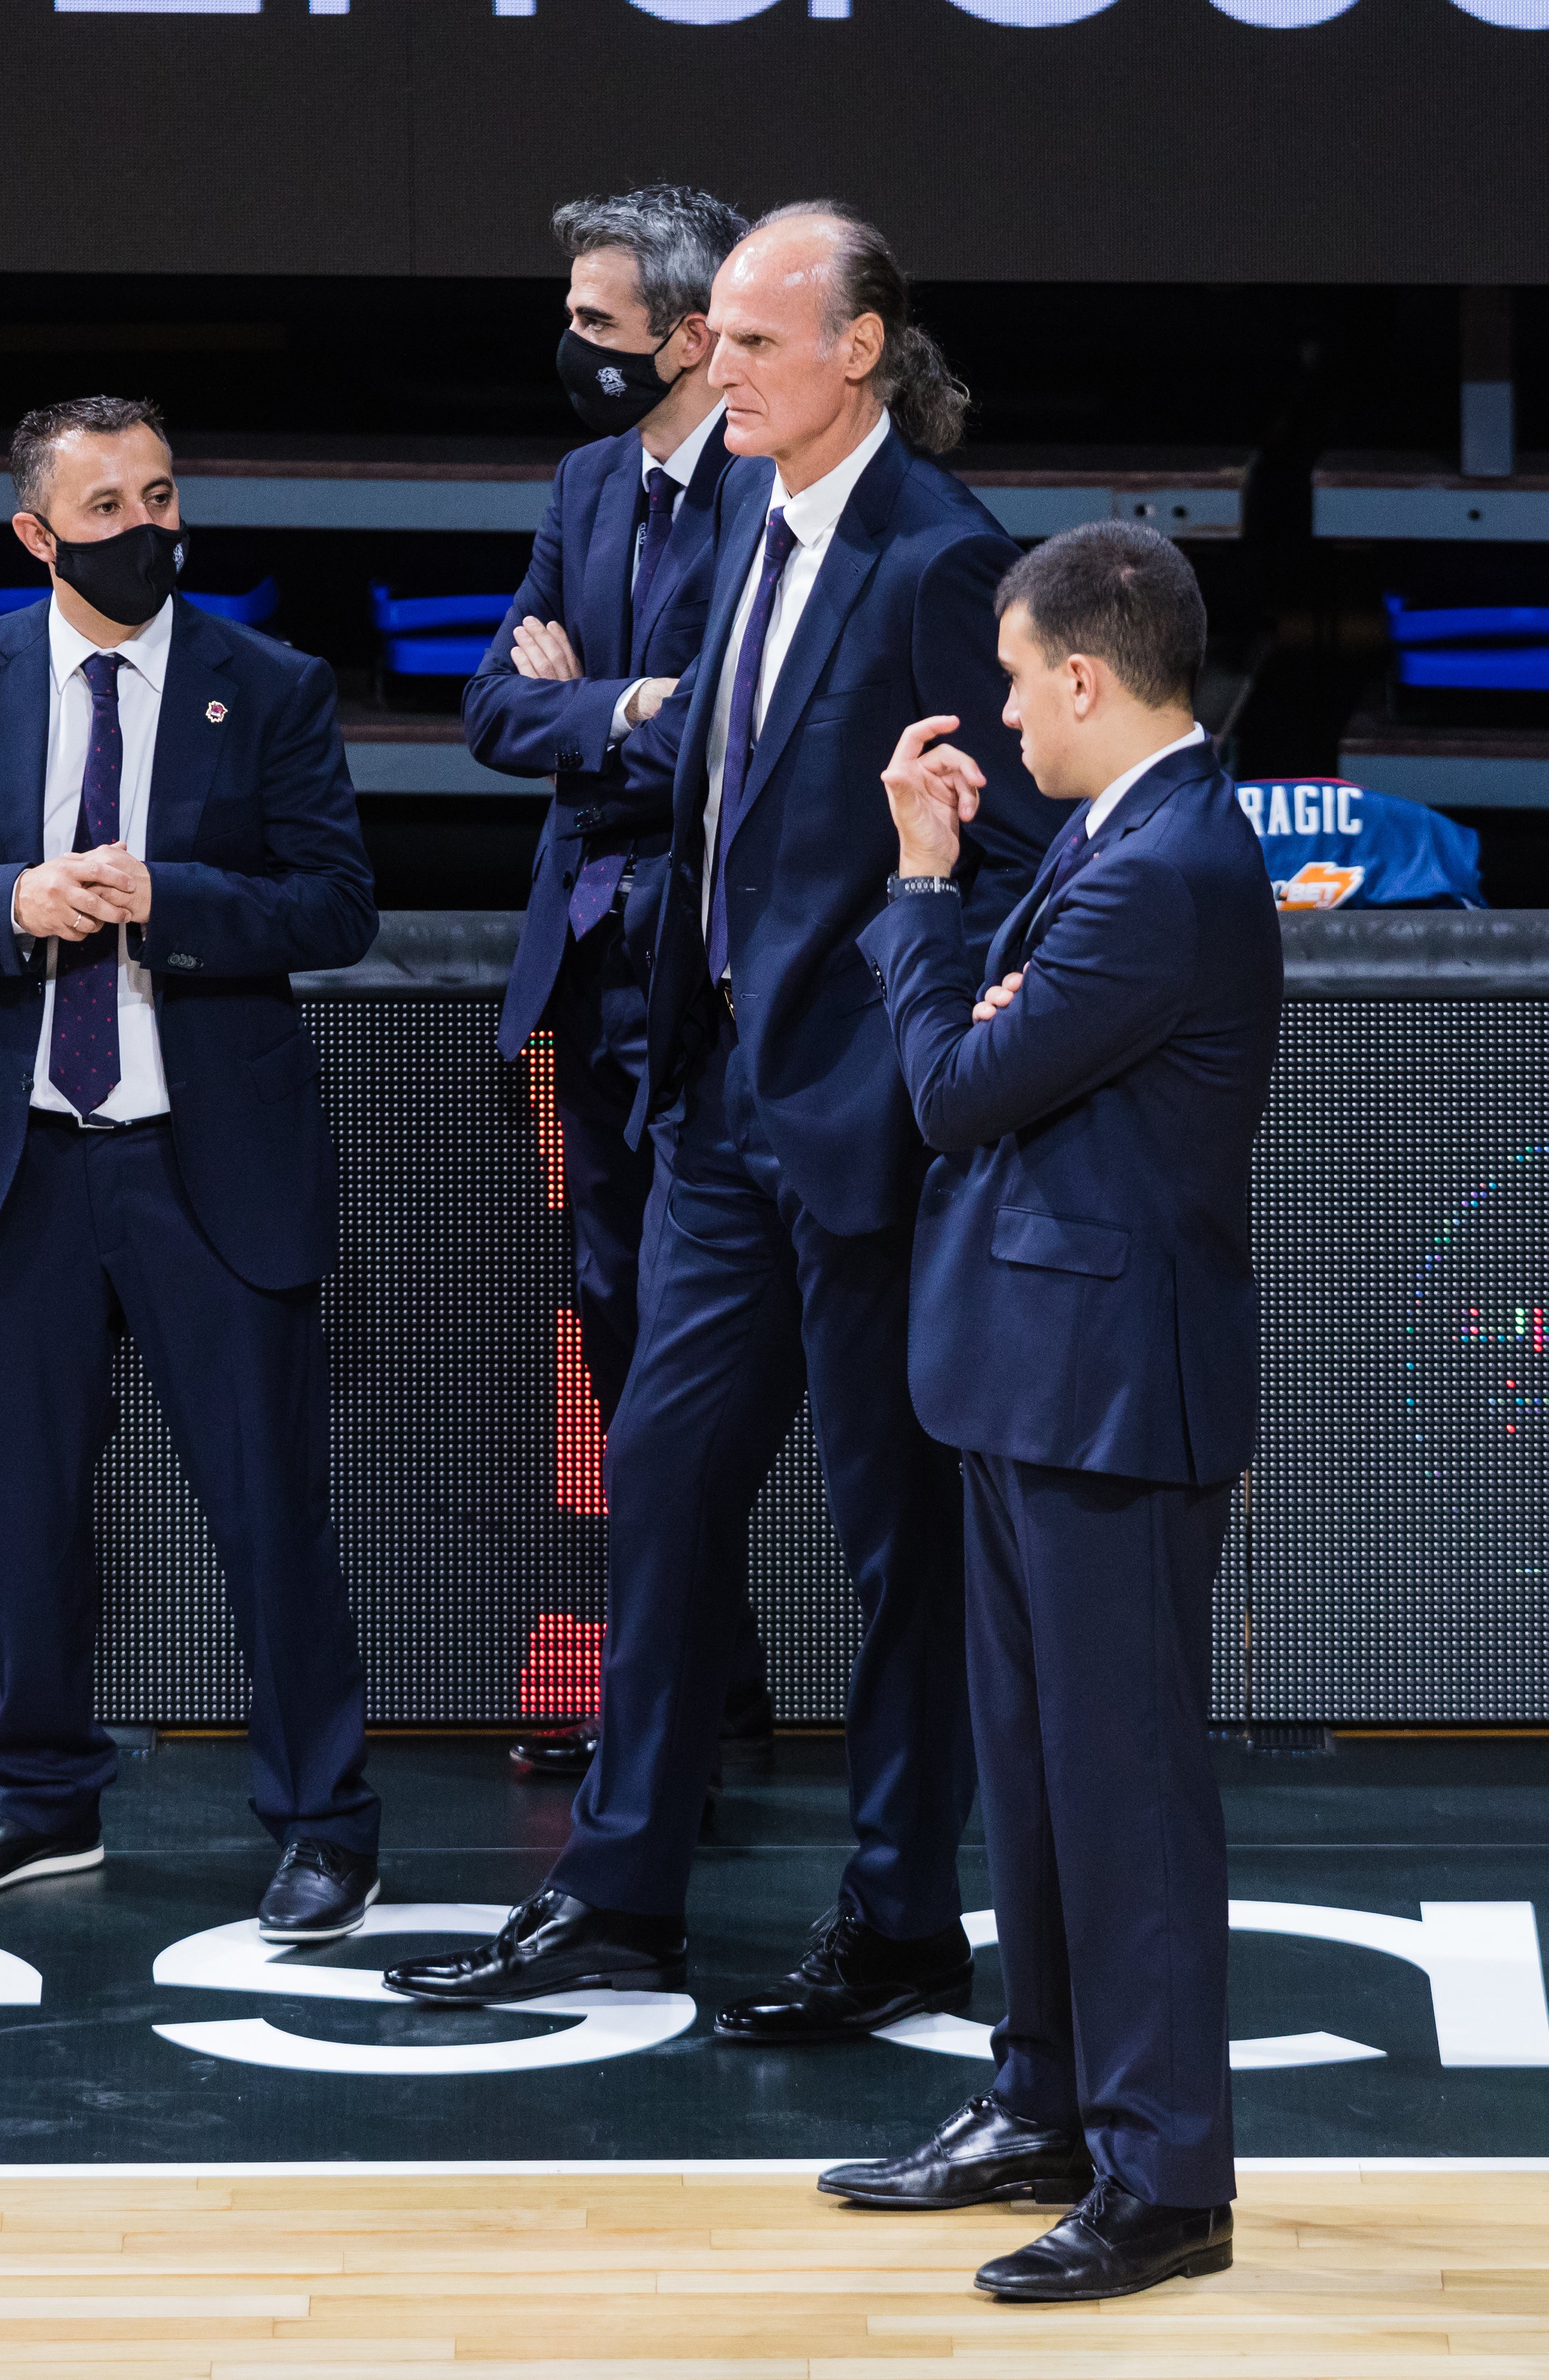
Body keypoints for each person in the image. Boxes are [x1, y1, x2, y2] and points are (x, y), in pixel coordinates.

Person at [388, 203, 1055, 2037]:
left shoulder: (938, 557)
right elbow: (718, 771)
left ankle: (903, 1911)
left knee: (891, 1541)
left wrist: (913, 1067)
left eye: (756, 342)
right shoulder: (744, 519)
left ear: (858, 352)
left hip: (860, 1129)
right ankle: (616, 1895)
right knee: (662, 1497)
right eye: (720, 341)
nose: (715, 365)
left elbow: (989, 856)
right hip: (709, 1106)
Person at [0, 394, 385, 1945]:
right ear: (35, 534)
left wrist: (175, 899)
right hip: (20, 1165)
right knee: (26, 1514)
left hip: (208, 1162)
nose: (147, 531)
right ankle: (39, 1801)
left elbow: (336, 904)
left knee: (268, 1509)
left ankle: (326, 1824)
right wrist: (12, 901)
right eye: (108, 510)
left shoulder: (264, 685)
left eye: (161, 499)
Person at [816, 522, 1277, 2303]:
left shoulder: (1159, 870)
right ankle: (1045, 2106)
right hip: (1026, 1374)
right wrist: (974, 968)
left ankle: (1164, 2179)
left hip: (1105, 1397)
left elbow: (949, 1091)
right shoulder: (1111, 838)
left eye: (1016, 683)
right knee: (1033, 1782)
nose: (1004, 722)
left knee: (1125, 1798)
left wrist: (924, 901)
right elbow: (992, 1072)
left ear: (1083, 677)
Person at [463, 183, 776, 1785]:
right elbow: (488, 708)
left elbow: (727, 742)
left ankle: (666, 1707)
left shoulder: (771, 497)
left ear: (686, 331)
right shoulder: (588, 481)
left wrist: (605, 712)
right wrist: (611, 714)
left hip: (706, 990)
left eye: (595, 321)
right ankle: (698, 1686)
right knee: (612, 1336)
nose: (571, 347)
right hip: (583, 983)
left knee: (687, 1366)